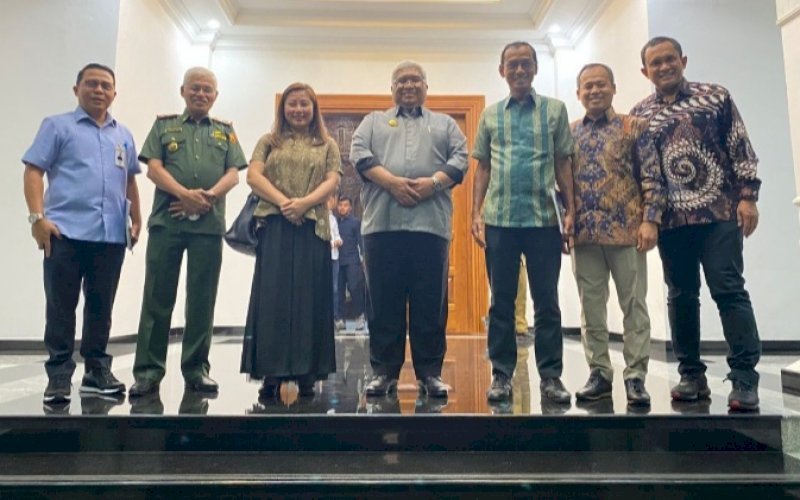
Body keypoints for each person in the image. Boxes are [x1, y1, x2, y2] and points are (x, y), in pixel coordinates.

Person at [631, 36, 762, 411]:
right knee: (681, 296)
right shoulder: (640, 116)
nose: (664, 67)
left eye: (669, 59)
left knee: (729, 290)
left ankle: (744, 378)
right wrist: (649, 218)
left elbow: (740, 147)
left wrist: (748, 196)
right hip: (672, 221)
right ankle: (691, 375)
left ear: (683, 60)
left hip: (719, 213)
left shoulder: (715, 97)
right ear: (645, 71)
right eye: (655, 63)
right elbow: (645, 174)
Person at [22, 63, 142, 404]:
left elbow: (130, 180)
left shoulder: (123, 135)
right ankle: (59, 377)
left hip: (110, 236)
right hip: (64, 234)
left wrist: (136, 218)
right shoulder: (57, 126)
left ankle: (96, 371)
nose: (99, 90)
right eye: (92, 84)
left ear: (114, 93)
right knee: (61, 307)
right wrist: (37, 219)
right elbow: (33, 171)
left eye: (106, 85)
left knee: (101, 308)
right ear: (77, 89)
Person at [350, 61, 468, 399]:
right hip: (382, 226)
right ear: (392, 88)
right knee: (383, 302)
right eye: (401, 80)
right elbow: (358, 154)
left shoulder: (445, 124)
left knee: (430, 303)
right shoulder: (373, 121)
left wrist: (433, 184)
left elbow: (461, 158)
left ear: (426, 86)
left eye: (415, 79)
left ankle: (429, 374)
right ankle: (383, 373)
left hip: (430, 227)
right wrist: (392, 183)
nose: (408, 85)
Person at [130, 67, 247, 397]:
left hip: (208, 227)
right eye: (195, 88)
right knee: (157, 298)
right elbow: (153, 169)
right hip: (167, 224)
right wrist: (184, 195)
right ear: (183, 91)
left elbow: (233, 174)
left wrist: (205, 199)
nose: (201, 94)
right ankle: (148, 372)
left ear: (215, 96)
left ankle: (196, 369)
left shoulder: (226, 132)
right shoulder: (164, 126)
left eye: (208, 90)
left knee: (202, 300)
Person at [472, 41, 576, 404]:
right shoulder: (489, 115)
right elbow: (482, 167)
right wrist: (475, 213)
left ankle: (551, 377)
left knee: (547, 301)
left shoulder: (555, 111)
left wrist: (571, 211)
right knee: (501, 301)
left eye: (526, 64)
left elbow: (564, 163)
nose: (519, 70)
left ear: (535, 68)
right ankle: (501, 375)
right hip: (499, 219)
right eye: (512, 65)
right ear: (502, 70)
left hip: (544, 219)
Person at [570, 63, 666, 407]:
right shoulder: (570, 133)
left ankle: (636, 376)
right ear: (577, 93)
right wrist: (564, 223)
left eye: (600, 85)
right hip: (584, 236)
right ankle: (599, 373)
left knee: (634, 306)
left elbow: (652, 177)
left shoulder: (634, 126)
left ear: (613, 87)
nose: (594, 91)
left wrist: (650, 220)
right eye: (587, 87)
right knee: (591, 309)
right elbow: (562, 185)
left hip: (628, 233)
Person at [242, 82, 342, 399]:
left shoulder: (327, 144)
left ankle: (307, 371)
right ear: (283, 109)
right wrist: (286, 202)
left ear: (314, 109)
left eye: (304, 104)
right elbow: (253, 176)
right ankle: (271, 371)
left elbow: (333, 180)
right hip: (274, 224)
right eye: (292, 104)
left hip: (313, 226)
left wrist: (304, 203)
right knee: (272, 297)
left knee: (311, 297)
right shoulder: (268, 141)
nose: (298, 110)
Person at [335, 196, 366, 331]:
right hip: (337, 260)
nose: (342, 208)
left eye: (345, 205)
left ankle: (360, 316)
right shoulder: (334, 222)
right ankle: (339, 318)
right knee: (339, 291)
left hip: (353, 260)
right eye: (340, 205)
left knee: (355, 288)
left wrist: (364, 258)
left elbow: (361, 241)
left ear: (350, 207)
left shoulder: (355, 222)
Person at [329, 195, 343, 329]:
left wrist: (339, 240)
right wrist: (333, 243)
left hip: (335, 257)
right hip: (325, 257)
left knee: (335, 289)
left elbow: (336, 234)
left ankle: (336, 317)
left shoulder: (333, 218)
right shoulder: (320, 217)